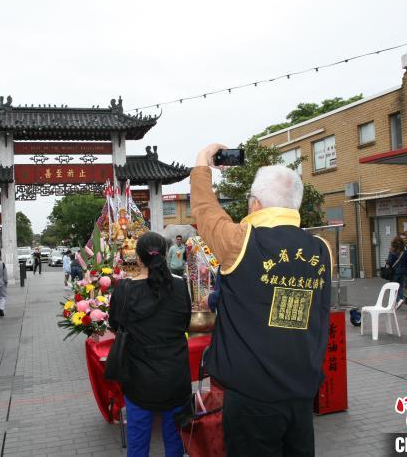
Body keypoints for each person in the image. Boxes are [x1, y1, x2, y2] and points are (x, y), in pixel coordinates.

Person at [190, 143, 332, 456]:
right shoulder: (321, 249)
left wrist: (203, 163)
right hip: (301, 394)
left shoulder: (241, 241)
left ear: (255, 204)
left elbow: (205, 210)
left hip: (252, 398)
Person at [108, 232, 191, 457]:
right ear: (165, 254)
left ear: (137, 257)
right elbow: (185, 323)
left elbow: (115, 326)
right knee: (175, 438)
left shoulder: (124, 289)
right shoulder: (181, 286)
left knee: (138, 440)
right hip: (175, 374)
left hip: (138, 377)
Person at [387, 238, 407, 310]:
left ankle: (398, 300)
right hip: (404, 272)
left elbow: (389, 263)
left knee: (392, 287)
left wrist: (389, 253)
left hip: (395, 273)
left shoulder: (393, 252)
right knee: (400, 287)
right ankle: (400, 300)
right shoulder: (405, 252)